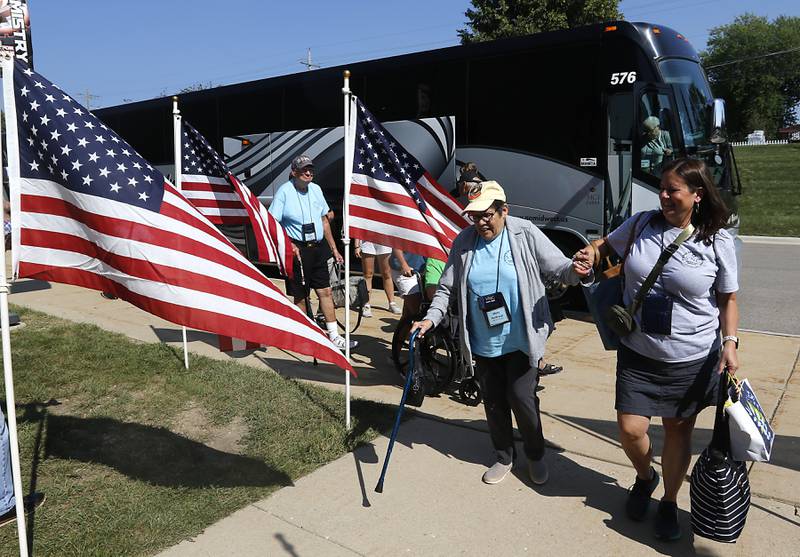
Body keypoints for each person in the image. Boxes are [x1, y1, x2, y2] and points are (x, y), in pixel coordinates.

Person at [573, 158, 738, 541]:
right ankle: (645, 477)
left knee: (678, 432)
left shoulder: (716, 240)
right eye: (662, 188)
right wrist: (589, 255)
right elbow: (604, 247)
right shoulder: (641, 223)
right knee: (631, 430)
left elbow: (728, 299)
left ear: (697, 196)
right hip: (638, 350)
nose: (663, 196)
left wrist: (730, 343)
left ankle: (669, 500)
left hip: (691, 356)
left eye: (672, 190)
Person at [411, 181, 591, 485]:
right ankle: (504, 456)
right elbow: (446, 287)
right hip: (483, 341)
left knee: (522, 398)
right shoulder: (464, 242)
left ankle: (535, 454)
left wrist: (577, 269)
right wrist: (429, 319)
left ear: (503, 211)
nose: (481, 222)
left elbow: (559, 268)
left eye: (487, 214)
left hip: (521, 338)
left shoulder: (524, 233)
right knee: (493, 402)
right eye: (474, 216)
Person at [268, 155, 356, 350]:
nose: (309, 173)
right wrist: (289, 244)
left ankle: (334, 336)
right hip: (297, 250)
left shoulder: (316, 189)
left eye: (310, 169)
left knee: (325, 291)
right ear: (294, 172)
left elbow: (324, 220)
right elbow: (273, 223)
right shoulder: (284, 191)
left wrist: (334, 248)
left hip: (317, 248)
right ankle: (304, 335)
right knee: (301, 295)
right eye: (304, 170)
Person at [354, 240, 401, 316]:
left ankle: (392, 303)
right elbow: (358, 228)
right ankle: (366, 304)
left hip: (384, 239)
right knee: (368, 274)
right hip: (367, 240)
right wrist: (357, 245)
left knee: (387, 274)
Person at [389, 248, 426, 321]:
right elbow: (396, 245)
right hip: (403, 270)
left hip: (421, 267)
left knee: (408, 312)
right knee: (416, 309)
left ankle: (401, 331)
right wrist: (403, 265)